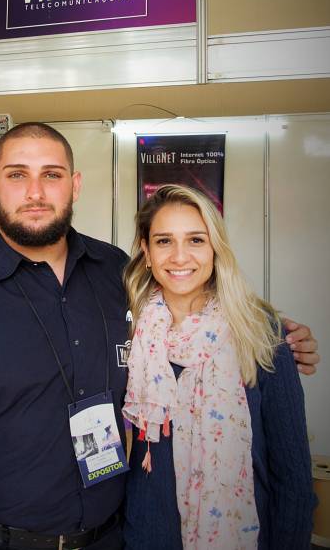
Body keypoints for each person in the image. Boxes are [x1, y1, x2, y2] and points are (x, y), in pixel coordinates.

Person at [0, 123, 319, 550]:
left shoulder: (116, 275)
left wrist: (276, 335)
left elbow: (193, 307)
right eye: (17, 175)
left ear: (75, 185)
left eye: (52, 175)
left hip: (111, 537)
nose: (35, 192)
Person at [122, 184, 315, 550]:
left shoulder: (261, 334)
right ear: (146, 252)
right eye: (164, 241)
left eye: (196, 240)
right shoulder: (127, 332)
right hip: (147, 535)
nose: (180, 256)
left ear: (216, 248)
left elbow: (293, 478)